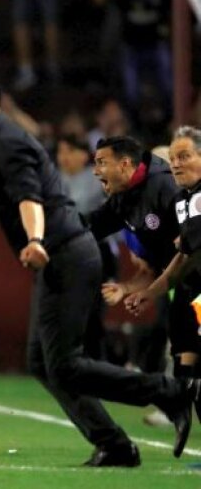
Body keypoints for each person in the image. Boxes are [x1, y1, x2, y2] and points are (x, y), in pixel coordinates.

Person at [0, 69, 198, 466]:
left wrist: (36, 240)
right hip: (60, 254)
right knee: (44, 363)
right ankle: (113, 442)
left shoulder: (7, 143)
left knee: (65, 364)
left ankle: (165, 392)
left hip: (65, 254)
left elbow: (30, 197)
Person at [88, 136, 190, 416]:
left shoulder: (175, 198)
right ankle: (177, 403)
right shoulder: (129, 207)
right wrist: (126, 288)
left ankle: (175, 400)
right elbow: (150, 269)